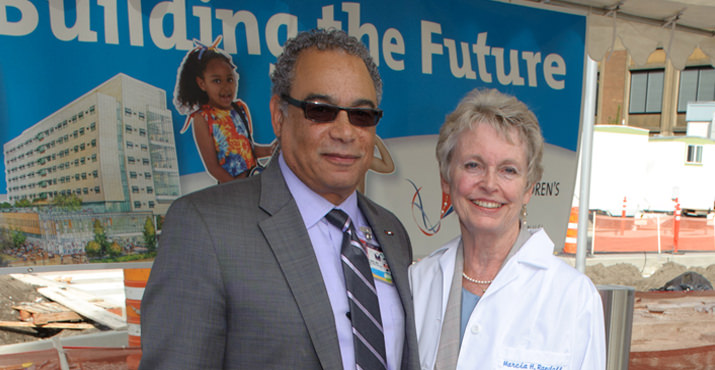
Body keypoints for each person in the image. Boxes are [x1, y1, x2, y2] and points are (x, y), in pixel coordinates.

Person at [139, 29, 420, 370]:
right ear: (278, 114)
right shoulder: (204, 227)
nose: (345, 132)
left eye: (361, 115)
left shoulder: (390, 231)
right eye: (321, 110)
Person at [409, 88, 606, 369]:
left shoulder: (574, 297)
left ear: (528, 188)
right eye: (473, 165)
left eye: (508, 170)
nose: (490, 184)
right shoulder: (418, 282)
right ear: (446, 179)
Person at [174, 36, 275, 183]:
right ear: (202, 83)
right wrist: (237, 189)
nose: (225, 87)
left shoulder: (240, 109)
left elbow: (246, 149)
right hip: (231, 191)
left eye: (229, 79)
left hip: (253, 185)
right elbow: (213, 167)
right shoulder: (202, 118)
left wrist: (269, 150)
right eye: (216, 81)